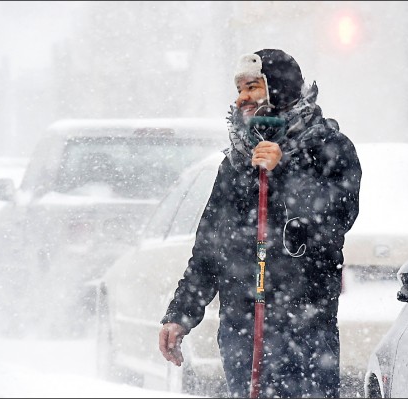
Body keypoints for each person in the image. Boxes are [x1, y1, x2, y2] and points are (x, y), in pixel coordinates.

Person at [159, 48, 362, 398]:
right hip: (241, 332)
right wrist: (180, 313)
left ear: (278, 88)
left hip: (306, 331)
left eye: (251, 87)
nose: (241, 99)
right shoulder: (237, 162)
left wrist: (285, 172)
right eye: (238, 90)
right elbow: (209, 248)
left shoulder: (329, 147)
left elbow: (336, 217)